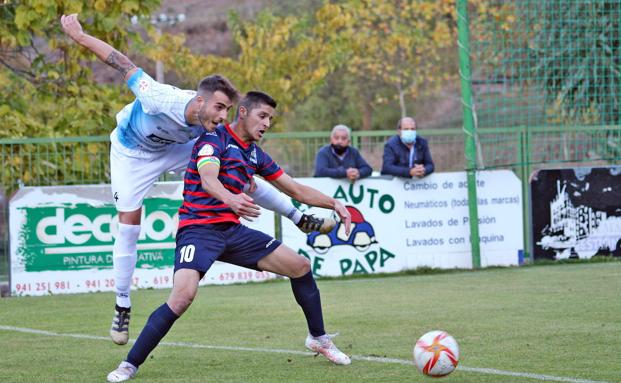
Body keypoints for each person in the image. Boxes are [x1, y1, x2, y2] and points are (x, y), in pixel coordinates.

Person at [60, 14, 335, 346]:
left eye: (227, 110)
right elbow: (121, 62)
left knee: (238, 173)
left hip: (175, 149)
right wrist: (80, 36)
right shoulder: (159, 97)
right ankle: (122, 303)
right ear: (200, 101)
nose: (223, 117)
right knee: (130, 223)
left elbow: (233, 156)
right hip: (131, 153)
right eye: (220, 109)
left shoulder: (210, 127)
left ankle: (298, 216)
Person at [106, 91, 353, 382]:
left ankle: (318, 338)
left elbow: (295, 189)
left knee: (300, 266)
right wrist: (232, 200)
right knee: (182, 297)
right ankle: (129, 364)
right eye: (262, 116)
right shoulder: (214, 139)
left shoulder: (254, 154)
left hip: (232, 231)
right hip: (198, 229)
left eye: (271, 119)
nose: (267, 123)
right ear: (244, 112)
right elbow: (209, 179)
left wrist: (334, 203)